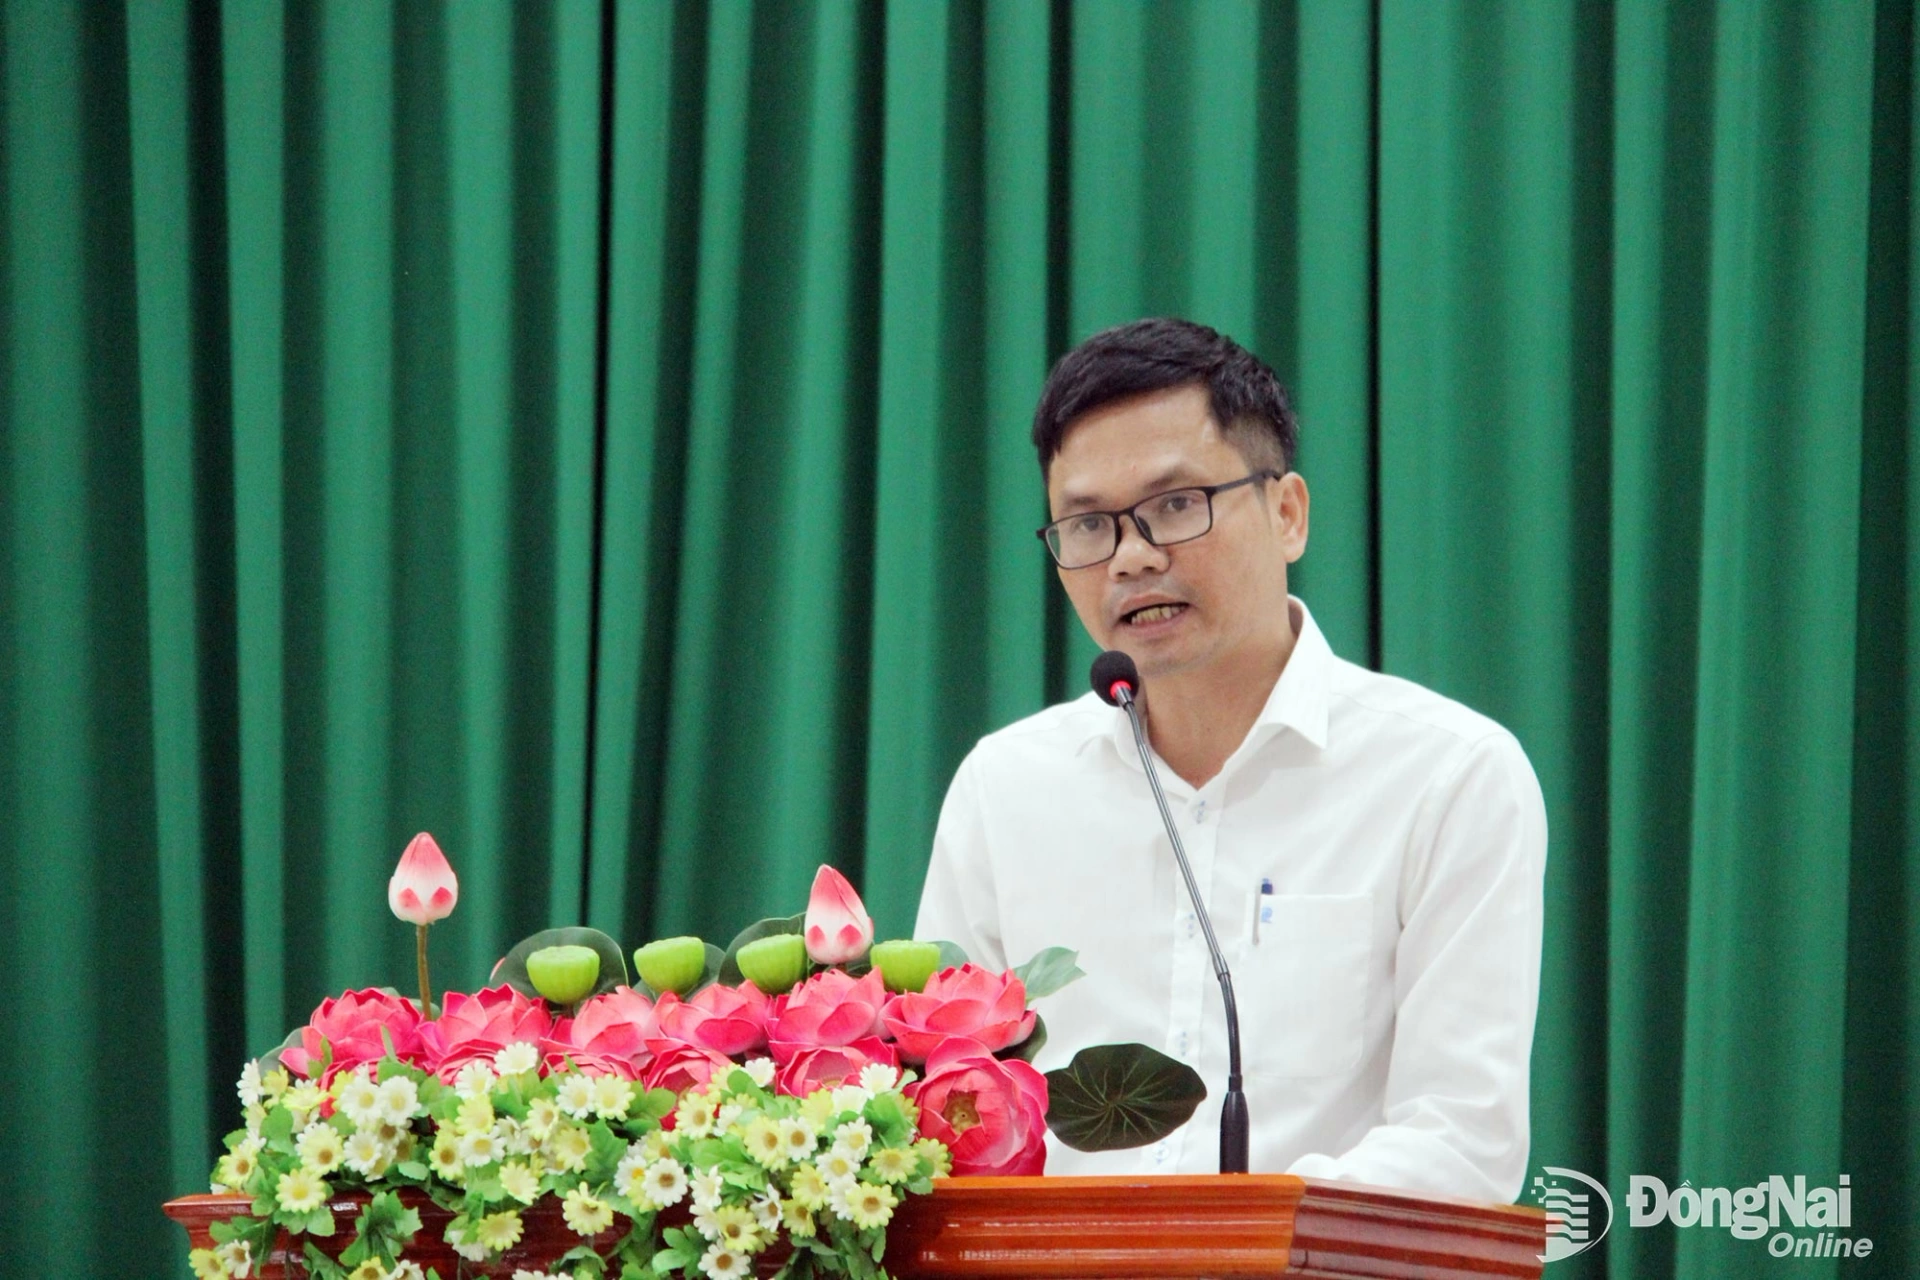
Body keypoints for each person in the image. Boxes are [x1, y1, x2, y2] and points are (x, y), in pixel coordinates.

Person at [913, 317, 1546, 1201]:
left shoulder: (1447, 776)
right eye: (1088, 525)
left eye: (1176, 505)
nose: (1132, 557)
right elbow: (944, 1122)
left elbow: (1464, 1143)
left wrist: (1236, 1238)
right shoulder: (1006, 787)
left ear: (1288, 514)